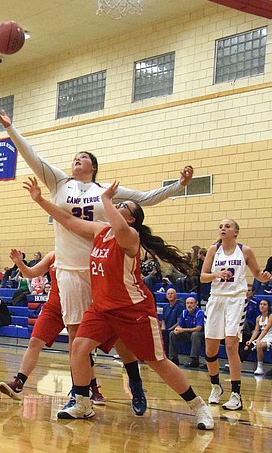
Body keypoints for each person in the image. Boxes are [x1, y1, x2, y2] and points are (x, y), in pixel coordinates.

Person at [0, 109, 194, 412]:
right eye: (75, 156)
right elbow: (32, 156)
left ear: (94, 167)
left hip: (101, 271)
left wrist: (179, 185)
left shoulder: (107, 192)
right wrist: (11, 128)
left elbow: (146, 199)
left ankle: (135, 382)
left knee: (121, 335)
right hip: (70, 269)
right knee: (77, 337)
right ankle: (80, 393)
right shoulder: (59, 182)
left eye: (83, 157)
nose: (77, 159)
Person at [24, 178, 213, 429]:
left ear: (132, 219)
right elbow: (68, 221)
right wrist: (40, 200)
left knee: (157, 362)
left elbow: (117, 221)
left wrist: (105, 200)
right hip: (101, 308)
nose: (118, 205)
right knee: (79, 348)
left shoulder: (130, 236)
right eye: (118, 203)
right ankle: (82, 402)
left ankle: (198, 405)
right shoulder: (100, 231)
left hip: (132, 308)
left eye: (125, 206)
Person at [0, 250, 110, 407]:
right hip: (54, 306)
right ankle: (18, 382)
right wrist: (19, 263)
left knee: (79, 352)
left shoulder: (84, 252)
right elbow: (30, 273)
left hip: (77, 304)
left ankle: (89, 389)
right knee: (34, 342)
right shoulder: (53, 255)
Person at [200, 219, 271, 411]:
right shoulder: (213, 250)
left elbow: (257, 273)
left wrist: (263, 277)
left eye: (227, 226)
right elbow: (202, 276)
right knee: (210, 350)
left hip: (235, 299)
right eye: (221, 226)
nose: (223, 228)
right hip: (216, 299)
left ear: (236, 232)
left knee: (231, 345)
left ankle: (236, 394)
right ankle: (216, 386)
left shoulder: (245, 251)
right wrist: (216, 275)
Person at [169, 297, 205, 368]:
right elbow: (180, 326)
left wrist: (183, 330)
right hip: (189, 335)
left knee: (195, 334)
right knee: (172, 333)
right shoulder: (184, 312)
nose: (189, 305)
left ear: (195, 304)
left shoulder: (200, 313)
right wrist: (177, 329)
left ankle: (194, 360)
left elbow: (198, 328)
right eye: (187, 303)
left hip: (201, 335)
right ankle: (174, 358)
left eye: (191, 303)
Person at [245, 299, 272, 375]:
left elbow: (265, 330)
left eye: (264, 304)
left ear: (268, 307)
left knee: (258, 345)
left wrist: (258, 340)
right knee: (247, 345)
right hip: (262, 338)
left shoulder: (271, 317)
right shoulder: (258, 318)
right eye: (261, 304)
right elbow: (256, 331)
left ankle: (260, 367)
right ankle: (239, 362)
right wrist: (251, 340)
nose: (262, 306)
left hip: (271, 338)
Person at [160, 288, 184, 362]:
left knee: (168, 333)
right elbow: (163, 320)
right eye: (168, 294)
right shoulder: (165, 307)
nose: (170, 295)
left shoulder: (180, 306)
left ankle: (168, 356)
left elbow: (179, 322)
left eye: (172, 293)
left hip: (176, 329)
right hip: (167, 329)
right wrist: (163, 328)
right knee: (161, 332)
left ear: (176, 295)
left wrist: (170, 329)